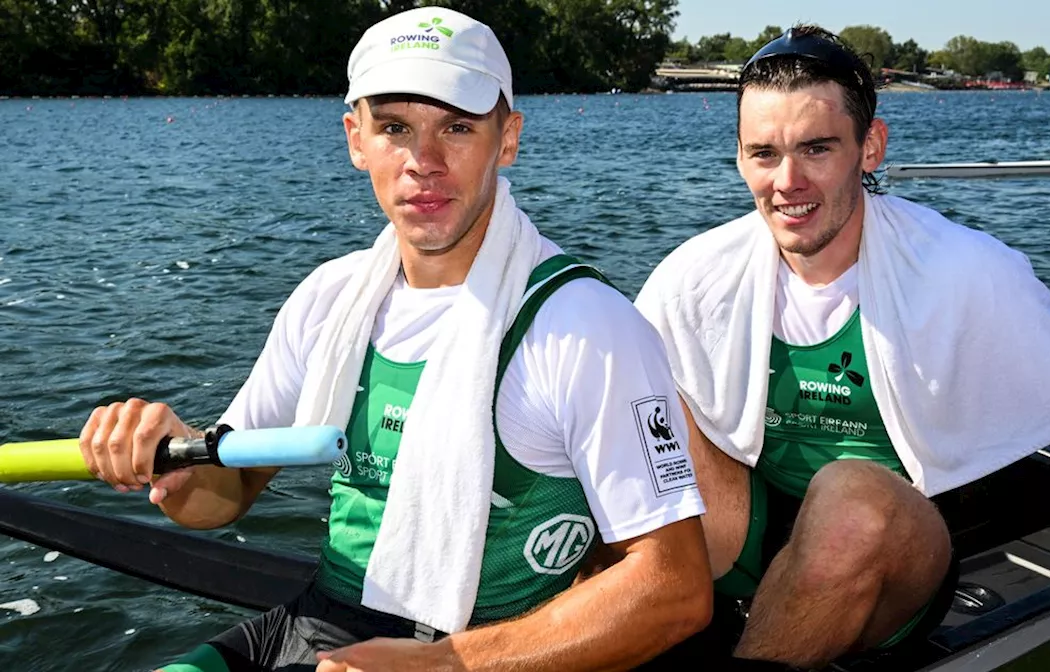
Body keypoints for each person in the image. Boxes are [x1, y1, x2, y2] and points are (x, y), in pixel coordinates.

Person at [78, 8, 712, 672]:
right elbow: (224, 495)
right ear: (356, 140)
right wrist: (173, 463)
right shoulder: (329, 299)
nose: (424, 163)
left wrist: (442, 665)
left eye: (458, 128)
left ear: (508, 139)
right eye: (394, 129)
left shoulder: (586, 326)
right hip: (318, 620)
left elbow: (674, 590)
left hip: (483, 649)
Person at [634, 26, 1050, 669]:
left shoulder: (968, 271)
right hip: (744, 533)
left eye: (817, 149)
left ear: (871, 148)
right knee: (635, 398)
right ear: (740, 156)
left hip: (888, 552)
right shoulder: (694, 273)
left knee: (853, 497)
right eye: (764, 154)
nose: (788, 182)